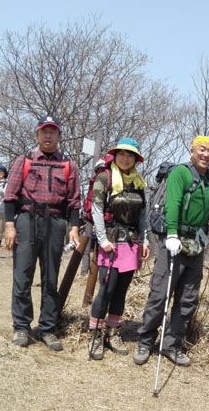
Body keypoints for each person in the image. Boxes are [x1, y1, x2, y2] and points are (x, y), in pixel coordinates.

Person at [134, 136, 209, 367]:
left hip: (197, 242)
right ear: (192, 151)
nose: (206, 155)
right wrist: (171, 233)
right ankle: (145, 341)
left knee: (188, 299)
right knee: (160, 294)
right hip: (173, 242)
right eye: (202, 150)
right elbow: (172, 203)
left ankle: (171, 345)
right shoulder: (180, 173)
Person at [4, 115, 81, 351]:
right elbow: (10, 196)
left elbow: (74, 201)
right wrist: (9, 225)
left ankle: (48, 329)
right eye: (44, 132)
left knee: (50, 278)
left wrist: (74, 228)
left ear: (59, 136)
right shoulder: (24, 161)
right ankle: (21, 327)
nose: (48, 136)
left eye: (52, 132)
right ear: (37, 135)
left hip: (56, 223)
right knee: (23, 276)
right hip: (27, 221)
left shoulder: (68, 165)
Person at [87, 138, 150, 360]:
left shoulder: (138, 182)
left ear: (135, 159)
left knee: (122, 290)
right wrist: (102, 238)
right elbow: (96, 209)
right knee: (107, 288)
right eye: (122, 154)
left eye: (130, 155)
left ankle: (113, 332)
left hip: (131, 243)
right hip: (111, 242)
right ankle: (95, 334)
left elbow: (142, 215)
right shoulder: (104, 177)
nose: (125, 159)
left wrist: (145, 241)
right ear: (115, 155)